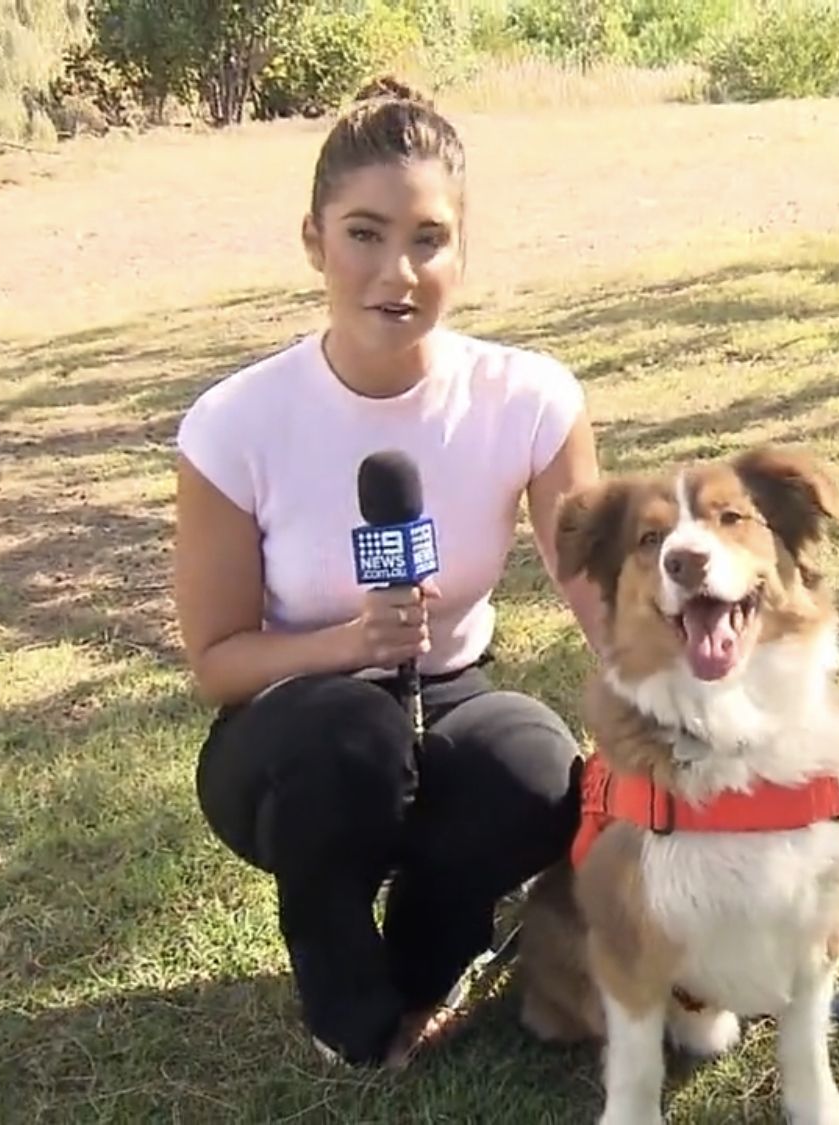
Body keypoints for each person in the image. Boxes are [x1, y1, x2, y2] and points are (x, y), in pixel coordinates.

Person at [171, 76, 606, 1070]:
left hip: (447, 690)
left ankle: (424, 962)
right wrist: (347, 643)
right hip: (290, 730)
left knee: (536, 769)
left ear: (462, 248)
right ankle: (343, 999)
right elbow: (217, 662)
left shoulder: (528, 397)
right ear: (313, 241)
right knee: (349, 735)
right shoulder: (235, 423)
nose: (397, 272)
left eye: (428, 238)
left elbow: (599, 597)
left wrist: (687, 700)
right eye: (363, 234)